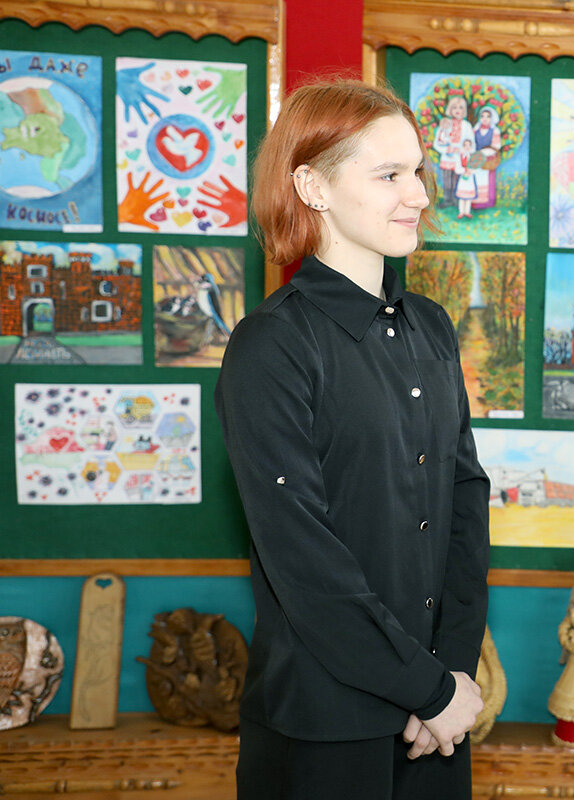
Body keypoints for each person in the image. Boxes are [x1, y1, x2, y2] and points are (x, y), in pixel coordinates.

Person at [215, 79, 490, 800]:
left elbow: (465, 499)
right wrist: (428, 688)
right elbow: (303, 556)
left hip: (438, 720)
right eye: (389, 175)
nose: (420, 195)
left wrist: (454, 673)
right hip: (325, 725)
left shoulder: (432, 326)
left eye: (419, 171)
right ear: (314, 186)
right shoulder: (271, 346)